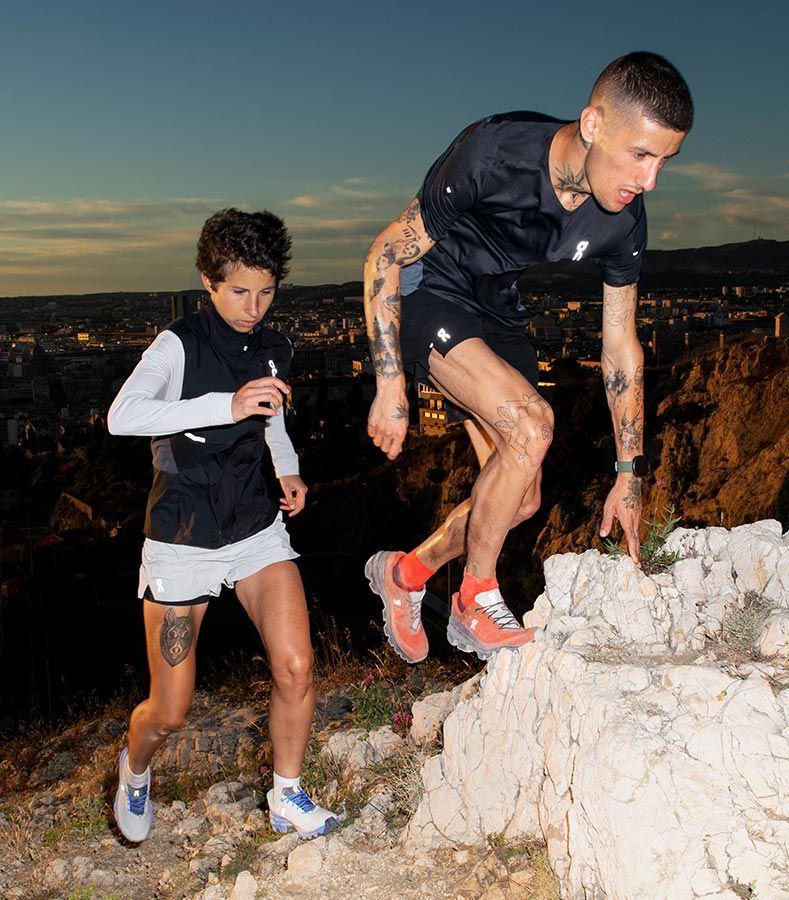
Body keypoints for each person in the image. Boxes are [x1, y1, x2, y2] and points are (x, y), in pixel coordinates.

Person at [362, 52, 692, 662]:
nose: (649, 181)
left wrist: (629, 472)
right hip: (429, 287)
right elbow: (384, 254)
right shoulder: (493, 154)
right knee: (532, 424)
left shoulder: (624, 220)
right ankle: (474, 595)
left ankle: (404, 574)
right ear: (592, 125)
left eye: (664, 161)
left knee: (522, 498)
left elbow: (620, 346)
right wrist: (389, 384)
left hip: (496, 305)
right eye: (640, 155)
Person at [106, 209, 341, 843]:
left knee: (296, 665)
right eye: (239, 290)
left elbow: (274, 417)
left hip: (254, 528)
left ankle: (288, 794)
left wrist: (287, 468)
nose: (253, 306)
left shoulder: (273, 347)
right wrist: (222, 404)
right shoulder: (177, 344)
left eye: (266, 292)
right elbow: (121, 416)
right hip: (182, 538)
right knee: (171, 711)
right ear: (209, 280)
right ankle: (133, 767)